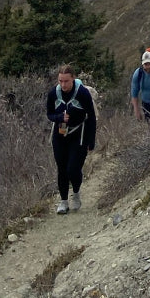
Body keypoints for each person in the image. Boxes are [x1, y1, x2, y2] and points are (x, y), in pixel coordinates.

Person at [46, 64, 97, 214]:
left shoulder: (82, 93)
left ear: (73, 79)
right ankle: (63, 201)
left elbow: (91, 117)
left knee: (73, 168)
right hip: (59, 134)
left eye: (66, 81)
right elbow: (49, 114)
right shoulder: (53, 94)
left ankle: (76, 193)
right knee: (61, 169)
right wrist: (59, 117)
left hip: (78, 133)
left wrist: (91, 140)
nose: (63, 85)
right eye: (60, 81)